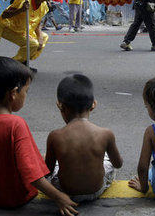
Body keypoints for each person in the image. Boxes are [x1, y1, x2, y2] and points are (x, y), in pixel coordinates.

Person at [0, 57, 78, 215]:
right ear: (13, 93)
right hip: (13, 198)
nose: (26, 95)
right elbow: (32, 175)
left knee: (37, 156)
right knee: (45, 161)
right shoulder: (15, 124)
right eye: (26, 91)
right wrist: (58, 197)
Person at [45, 74, 123, 202]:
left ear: (60, 105)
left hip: (65, 192)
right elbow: (118, 164)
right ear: (93, 105)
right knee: (107, 160)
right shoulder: (106, 133)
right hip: (96, 191)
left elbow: (48, 171)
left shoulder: (55, 136)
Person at [0, 0, 52, 72]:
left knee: (44, 37)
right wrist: (21, 10)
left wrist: (40, 39)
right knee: (32, 44)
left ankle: (23, 63)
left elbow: (37, 24)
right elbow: (5, 15)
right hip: (8, 27)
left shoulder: (44, 6)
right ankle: (8, 66)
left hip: (23, 29)